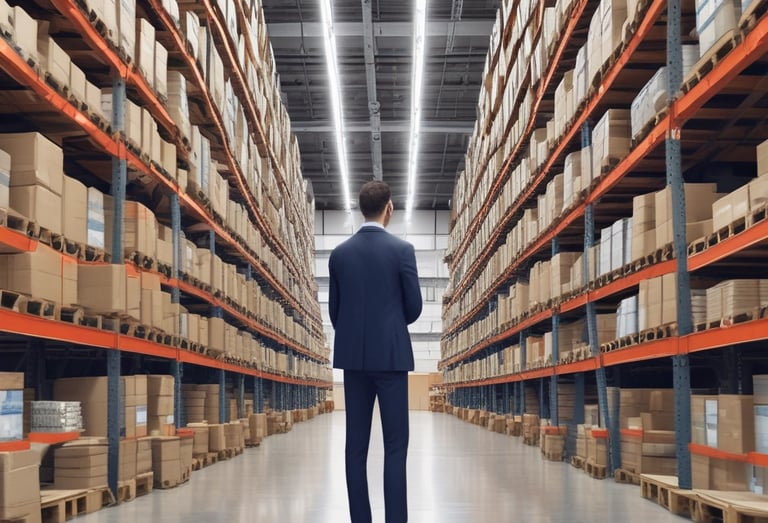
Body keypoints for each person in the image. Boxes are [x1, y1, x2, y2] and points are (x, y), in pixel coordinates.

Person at [329, 180, 423, 523]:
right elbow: (413, 308)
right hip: (392, 358)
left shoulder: (340, 255)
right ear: (390, 209)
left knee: (355, 448)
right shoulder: (403, 251)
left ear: (360, 209)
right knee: (395, 447)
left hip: (353, 360)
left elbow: (335, 312)